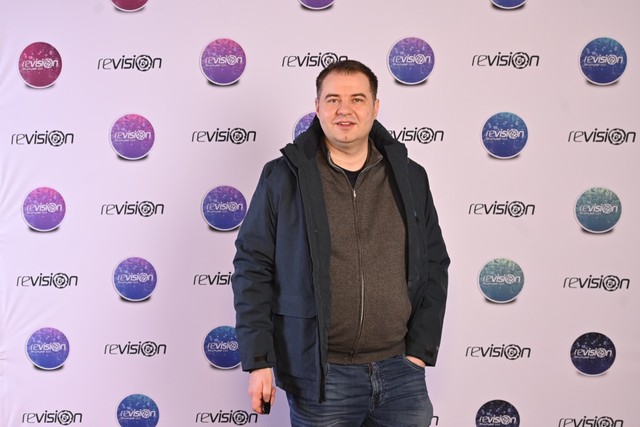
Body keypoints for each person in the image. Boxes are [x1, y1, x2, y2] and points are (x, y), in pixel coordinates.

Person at [232, 59, 449, 426]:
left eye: (357, 99)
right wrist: (259, 361)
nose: (344, 110)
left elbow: (434, 262)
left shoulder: (411, 177)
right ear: (317, 107)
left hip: (401, 375)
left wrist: (418, 353)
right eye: (333, 99)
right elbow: (253, 268)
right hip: (323, 376)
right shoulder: (283, 177)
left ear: (375, 108)